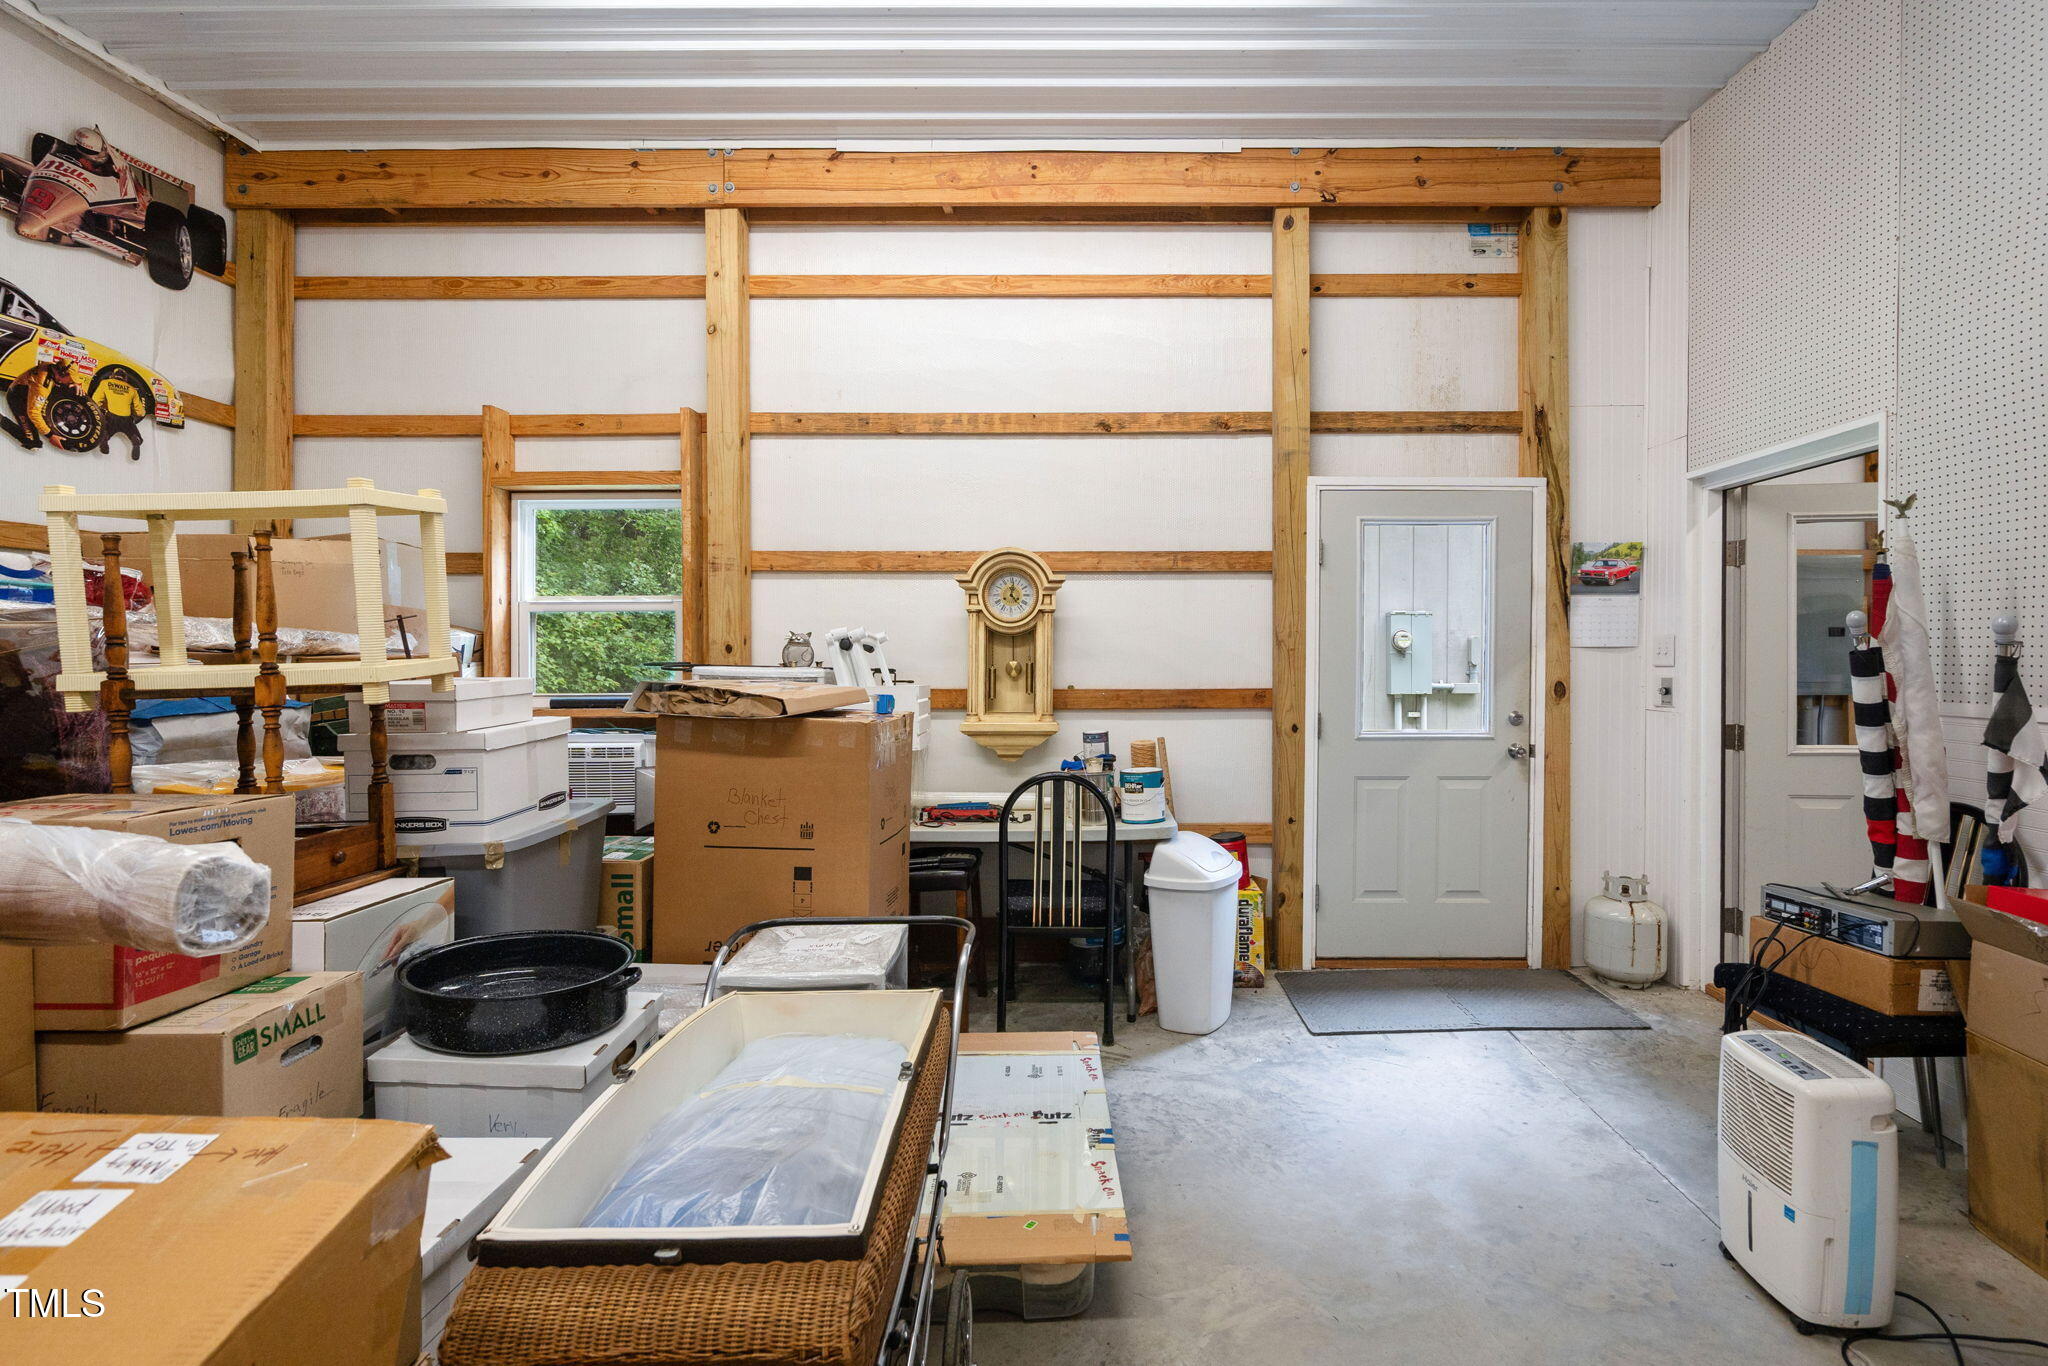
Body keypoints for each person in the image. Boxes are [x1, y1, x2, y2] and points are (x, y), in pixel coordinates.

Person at [95, 370, 146, 460]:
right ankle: (135, 439)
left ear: (113, 376)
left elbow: (96, 400)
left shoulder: (105, 383)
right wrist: (141, 413)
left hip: (111, 416)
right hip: (126, 419)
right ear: (125, 379)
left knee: (106, 431)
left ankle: (104, 438)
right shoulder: (132, 389)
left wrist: (103, 408)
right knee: (132, 432)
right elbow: (140, 411)